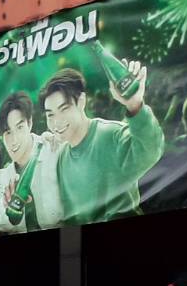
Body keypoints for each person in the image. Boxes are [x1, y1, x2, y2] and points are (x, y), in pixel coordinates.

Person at [39, 64, 162, 226]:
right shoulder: (60, 157)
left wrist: (135, 105)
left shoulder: (111, 135)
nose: (57, 122)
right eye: (50, 115)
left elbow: (151, 150)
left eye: (64, 109)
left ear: (81, 101)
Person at [0, 91, 63, 233]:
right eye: (8, 132)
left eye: (19, 127)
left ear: (30, 123)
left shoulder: (52, 149)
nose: (14, 140)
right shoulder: (4, 177)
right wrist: (9, 210)